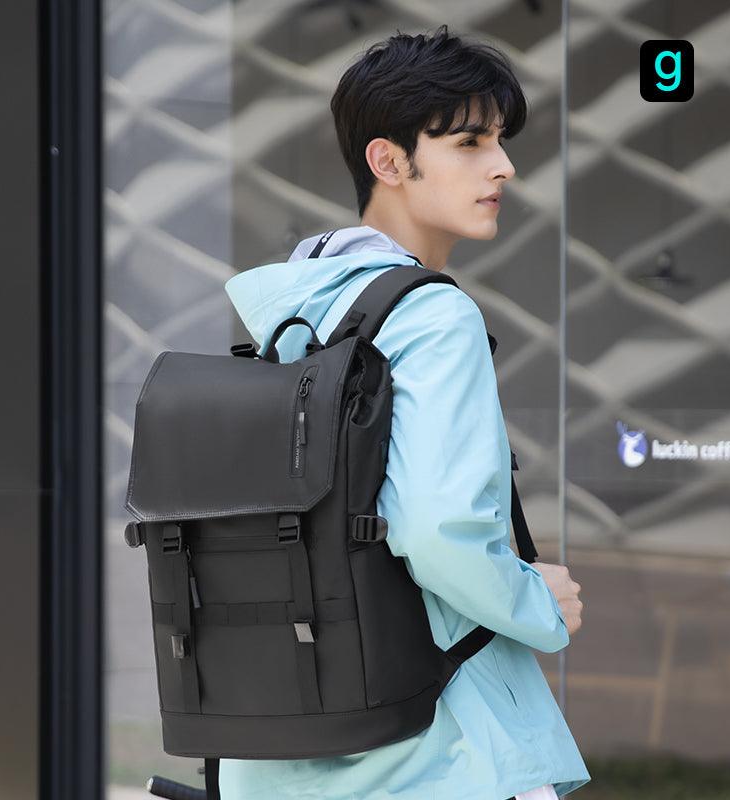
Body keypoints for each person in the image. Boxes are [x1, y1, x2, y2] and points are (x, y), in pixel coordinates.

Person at [221, 24, 590, 800]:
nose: (503, 165)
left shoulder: (298, 311)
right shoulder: (432, 317)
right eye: (469, 143)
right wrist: (538, 604)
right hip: (438, 748)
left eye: (500, 140)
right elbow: (434, 527)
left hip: (288, 747)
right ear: (388, 162)